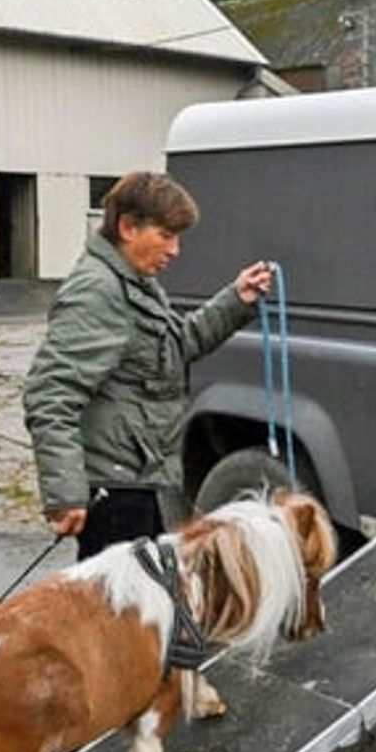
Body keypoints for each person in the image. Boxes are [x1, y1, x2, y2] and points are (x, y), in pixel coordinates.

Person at [22, 171, 274, 558]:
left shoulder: (135, 283)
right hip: (116, 493)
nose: (175, 250)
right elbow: (50, 394)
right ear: (127, 227)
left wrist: (236, 299)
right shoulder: (97, 291)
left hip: (144, 483)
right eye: (166, 235)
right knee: (119, 616)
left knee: (150, 610)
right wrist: (66, 494)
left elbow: (178, 345)